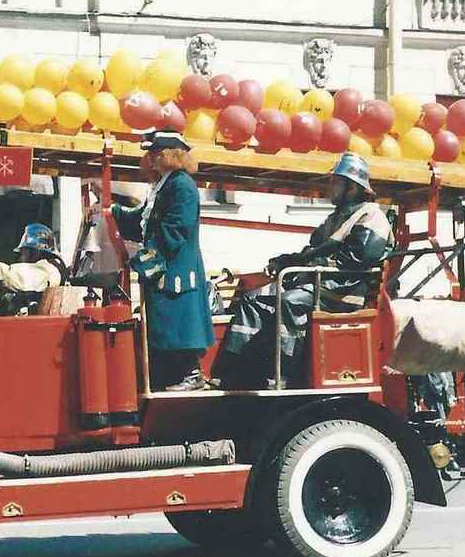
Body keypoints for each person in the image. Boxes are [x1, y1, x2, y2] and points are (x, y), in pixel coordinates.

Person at [216, 152, 391, 389]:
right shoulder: (335, 217)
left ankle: (282, 375)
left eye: (335, 182)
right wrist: (286, 261)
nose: (330, 188)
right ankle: (237, 372)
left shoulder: (371, 216)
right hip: (318, 286)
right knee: (252, 301)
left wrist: (307, 267)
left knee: (287, 302)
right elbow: (311, 251)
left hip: (341, 292)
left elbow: (356, 260)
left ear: (352, 187)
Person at [109, 129, 214, 392]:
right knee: (165, 323)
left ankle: (192, 375)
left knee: (179, 321)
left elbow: (176, 229)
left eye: (156, 152)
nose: (151, 157)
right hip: (166, 267)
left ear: (171, 154)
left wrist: (145, 259)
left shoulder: (182, 185)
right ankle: (171, 375)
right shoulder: (164, 184)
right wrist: (115, 212)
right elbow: (144, 222)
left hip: (176, 267)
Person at [0, 223, 70, 314]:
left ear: (35, 253)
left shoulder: (50, 270)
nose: (20, 259)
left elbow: (15, 277)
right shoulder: (49, 269)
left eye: (22, 253)